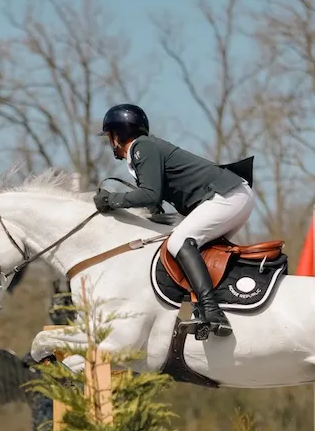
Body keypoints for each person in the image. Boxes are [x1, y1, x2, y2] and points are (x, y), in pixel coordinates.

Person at [94, 103, 256, 337]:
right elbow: (154, 203)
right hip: (231, 195)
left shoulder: (142, 147)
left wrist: (112, 200)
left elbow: (150, 194)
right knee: (191, 251)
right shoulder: (144, 150)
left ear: (118, 135)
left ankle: (212, 311)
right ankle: (202, 309)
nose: (111, 143)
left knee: (179, 241)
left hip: (227, 195)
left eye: (110, 136)